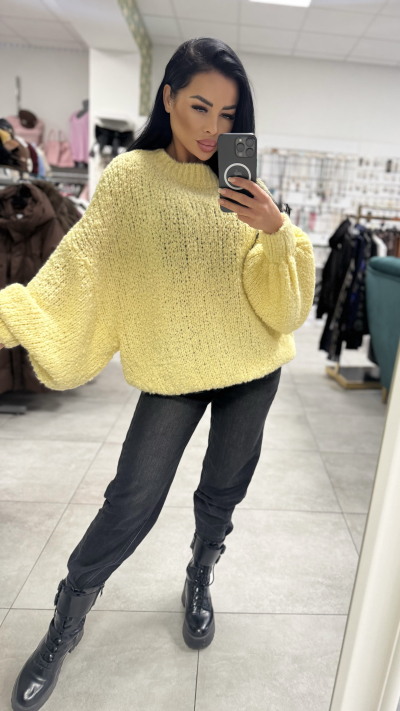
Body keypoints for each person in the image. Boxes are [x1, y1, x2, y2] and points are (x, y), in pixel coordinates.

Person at [0, 37, 315, 711]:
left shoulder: (242, 186)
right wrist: (12, 314)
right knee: (131, 501)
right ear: (168, 97)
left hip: (253, 366)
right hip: (172, 369)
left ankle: (200, 574)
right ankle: (66, 620)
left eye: (228, 115)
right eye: (200, 106)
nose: (212, 128)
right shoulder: (129, 179)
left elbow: (283, 310)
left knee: (223, 490)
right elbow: (79, 266)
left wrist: (276, 231)